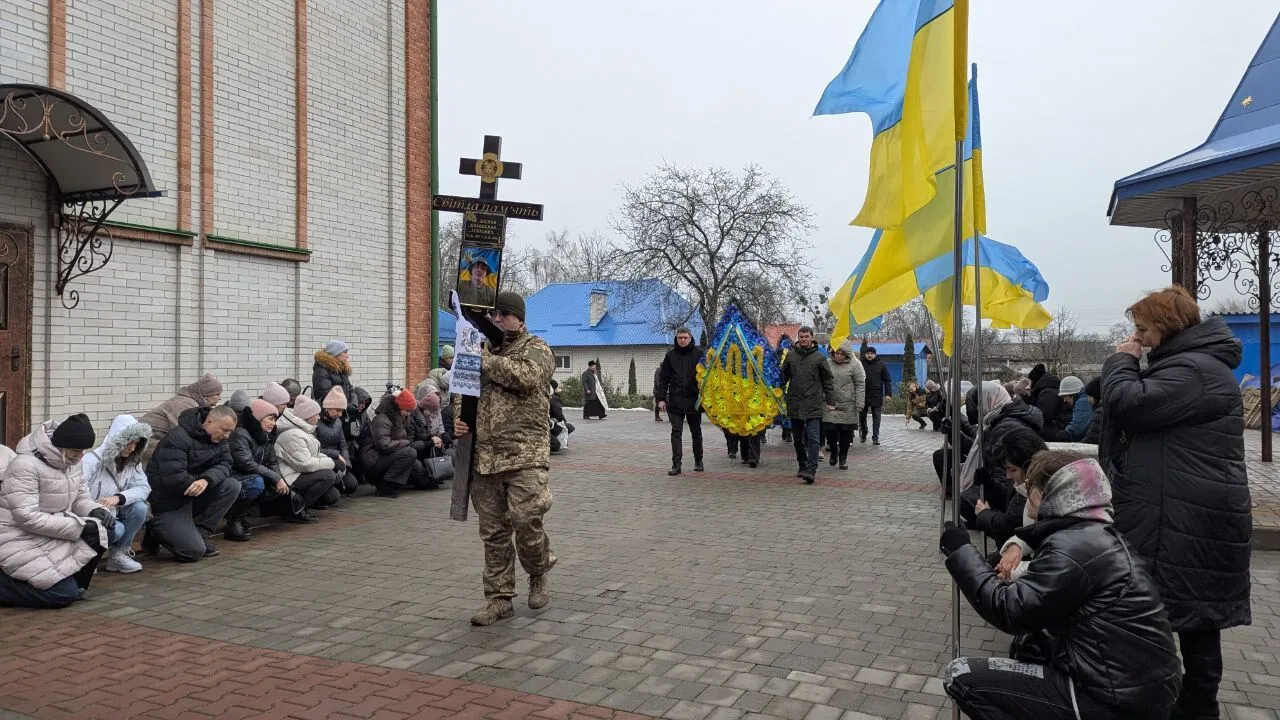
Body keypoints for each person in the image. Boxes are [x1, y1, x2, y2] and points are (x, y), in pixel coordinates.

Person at [939, 451, 1180, 719]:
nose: (1025, 493)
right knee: (1029, 647)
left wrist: (961, 552)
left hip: (1114, 698)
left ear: (1049, 493)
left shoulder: (1074, 546)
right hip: (1134, 687)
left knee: (960, 674)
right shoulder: (1091, 535)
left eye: (1030, 486)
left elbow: (1010, 609)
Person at [1102, 285, 1251, 717]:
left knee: (1191, 617)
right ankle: (1186, 704)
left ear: (1167, 327)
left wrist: (1121, 362)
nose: (1139, 337)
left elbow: (1128, 404)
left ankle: (1193, 707)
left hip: (1187, 516)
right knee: (1191, 613)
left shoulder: (1194, 370)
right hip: (1183, 511)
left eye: (1143, 328)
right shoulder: (1191, 365)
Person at [453, 291, 557, 627]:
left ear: (519, 318)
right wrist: (458, 418)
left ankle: (538, 569)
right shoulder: (477, 349)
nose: (496, 320)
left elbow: (526, 377)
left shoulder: (535, 348)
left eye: (503, 314)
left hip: (524, 454)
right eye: (492, 315)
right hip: (485, 457)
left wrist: (482, 360)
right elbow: (461, 391)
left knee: (527, 519)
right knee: (493, 532)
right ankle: (499, 598)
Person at [0, 414, 109, 608]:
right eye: (77, 451)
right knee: (61, 595)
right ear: (61, 447)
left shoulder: (72, 462)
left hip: (52, 529)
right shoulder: (25, 465)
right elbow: (27, 517)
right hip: (17, 535)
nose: (81, 456)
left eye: (83, 451)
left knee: (103, 531)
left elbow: (80, 498)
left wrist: (94, 510)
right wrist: (77, 526)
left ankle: (71, 584)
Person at [142, 405, 239, 563]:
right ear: (209, 421)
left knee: (231, 485)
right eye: (224, 430)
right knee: (192, 552)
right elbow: (175, 478)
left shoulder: (219, 440)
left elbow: (226, 463)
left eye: (230, 431)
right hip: (169, 504)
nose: (227, 436)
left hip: (194, 494)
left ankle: (201, 533)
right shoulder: (177, 438)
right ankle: (154, 530)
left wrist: (206, 479)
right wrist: (198, 482)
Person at [958, 382, 1044, 546]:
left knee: (965, 500)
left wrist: (984, 514)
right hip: (1008, 501)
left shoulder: (1006, 426)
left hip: (1018, 541)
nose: (1008, 474)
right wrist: (988, 483)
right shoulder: (999, 419)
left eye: (977, 406)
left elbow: (1009, 520)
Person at [80, 414, 153, 573]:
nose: (132, 448)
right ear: (117, 440)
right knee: (117, 529)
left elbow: (143, 487)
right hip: (93, 514)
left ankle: (118, 555)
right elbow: (78, 494)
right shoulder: (91, 461)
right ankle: (89, 558)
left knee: (140, 508)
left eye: (136, 443)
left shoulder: (133, 462)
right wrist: (95, 507)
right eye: (129, 442)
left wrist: (119, 498)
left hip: (116, 510)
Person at [990, 428, 1049, 583]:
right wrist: (1016, 545)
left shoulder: (1050, 500)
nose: (1008, 476)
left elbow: (1057, 566)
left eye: (1012, 470)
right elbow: (1034, 533)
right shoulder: (1032, 488)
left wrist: (1013, 572)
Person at [780, 326, 835, 484]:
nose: (804, 339)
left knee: (813, 438)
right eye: (801, 336)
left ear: (812, 338)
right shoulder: (791, 355)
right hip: (795, 402)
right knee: (798, 439)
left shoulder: (819, 357)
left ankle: (811, 469)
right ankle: (802, 465)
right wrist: (777, 392)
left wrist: (831, 401)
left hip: (813, 402)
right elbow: (783, 377)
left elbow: (827, 381)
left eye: (806, 336)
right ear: (798, 338)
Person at [274, 396, 340, 516]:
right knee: (328, 475)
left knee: (332, 495)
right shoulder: (293, 435)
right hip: (290, 478)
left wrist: (329, 460)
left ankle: (302, 502)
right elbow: (305, 464)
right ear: (308, 416)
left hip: (298, 473)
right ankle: (297, 509)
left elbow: (312, 454)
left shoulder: (301, 430)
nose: (319, 417)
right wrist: (331, 463)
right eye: (317, 414)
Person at [226, 399, 281, 541]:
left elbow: (272, 461)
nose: (273, 423)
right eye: (270, 419)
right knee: (256, 483)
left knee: (275, 488)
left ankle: (241, 514)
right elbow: (246, 463)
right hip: (233, 476)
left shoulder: (267, 435)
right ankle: (233, 521)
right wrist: (275, 478)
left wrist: (279, 480)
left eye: (275, 419)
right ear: (257, 418)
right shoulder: (240, 434)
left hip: (251, 474)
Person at [139, 373, 223, 462]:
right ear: (206, 395)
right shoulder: (184, 405)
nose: (220, 398)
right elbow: (185, 434)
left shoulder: (192, 404)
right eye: (217, 394)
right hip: (148, 441)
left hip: (156, 439)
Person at [360, 389, 425, 498]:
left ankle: (420, 482)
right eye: (407, 410)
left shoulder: (398, 418)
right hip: (373, 463)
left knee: (415, 464)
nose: (409, 414)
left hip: (382, 458)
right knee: (410, 453)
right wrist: (406, 443)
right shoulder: (382, 419)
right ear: (400, 407)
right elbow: (384, 446)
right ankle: (386, 486)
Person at [656, 327, 704, 475]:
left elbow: (707, 377)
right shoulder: (670, 356)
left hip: (694, 400)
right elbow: (663, 379)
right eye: (680, 338)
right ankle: (676, 464)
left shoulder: (699, 354)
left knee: (696, 432)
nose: (682, 340)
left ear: (690, 338)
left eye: (685, 338)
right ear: (676, 339)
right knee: (676, 432)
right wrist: (661, 399)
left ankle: (698, 461)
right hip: (675, 401)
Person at [823, 341, 865, 470]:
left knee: (846, 433)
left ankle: (843, 457)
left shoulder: (855, 364)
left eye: (842, 353)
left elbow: (860, 384)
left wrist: (859, 402)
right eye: (837, 353)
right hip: (830, 403)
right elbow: (821, 381)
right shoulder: (827, 363)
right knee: (830, 430)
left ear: (847, 354)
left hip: (848, 405)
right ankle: (833, 451)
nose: (839, 356)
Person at [318, 388, 358, 496]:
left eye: (342, 411)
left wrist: (346, 465)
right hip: (322, 459)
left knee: (352, 485)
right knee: (334, 494)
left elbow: (343, 445)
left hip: (337, 460)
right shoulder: (315, 421)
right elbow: (315, 449)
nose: (340, 415)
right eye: (338, 410)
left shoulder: (338, 422)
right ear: (327, 407)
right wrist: (336, 455)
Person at [859, 347, 893, 445]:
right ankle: (864, 432)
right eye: (868, 353)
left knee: (877, 417)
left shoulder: (881, 365)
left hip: (876, 394)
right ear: (865, 354)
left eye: (871, 353)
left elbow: (887, 380)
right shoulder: (860, 364)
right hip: (863, 394)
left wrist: (888, 394)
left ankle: (875, 438)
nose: (869, 355)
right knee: (862, 417)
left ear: (875, 354)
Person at [1027, 363, 1070, 438]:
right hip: (1060, 426)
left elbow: (1042, 416)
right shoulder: (1049, 389)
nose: (1029, 384)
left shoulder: (1048, 393)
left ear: (1035, 379)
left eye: (1030, 381)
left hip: (1059, 429)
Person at [312, 340, 356, 411]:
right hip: (330, 414)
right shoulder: (321, 371)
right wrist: (347, 406)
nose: (347, 356)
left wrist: (354, 403)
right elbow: (326, 396)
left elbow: (350, 389)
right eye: (345, 352)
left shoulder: (341, 368)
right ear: (336, 353)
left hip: (343, 411)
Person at [1050, 375, 1094, 442]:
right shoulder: (1083, 400)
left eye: (1064, 396)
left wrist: (1062, 434)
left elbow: (1077, 428)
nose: (1064, 400)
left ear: (1072, 394)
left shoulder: (1082, 402)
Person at [1082, 376, 1103, 445]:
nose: (1088, 400)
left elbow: (1091, 439)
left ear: (1097, 396)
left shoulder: (1100, 412)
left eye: (1090, 396)